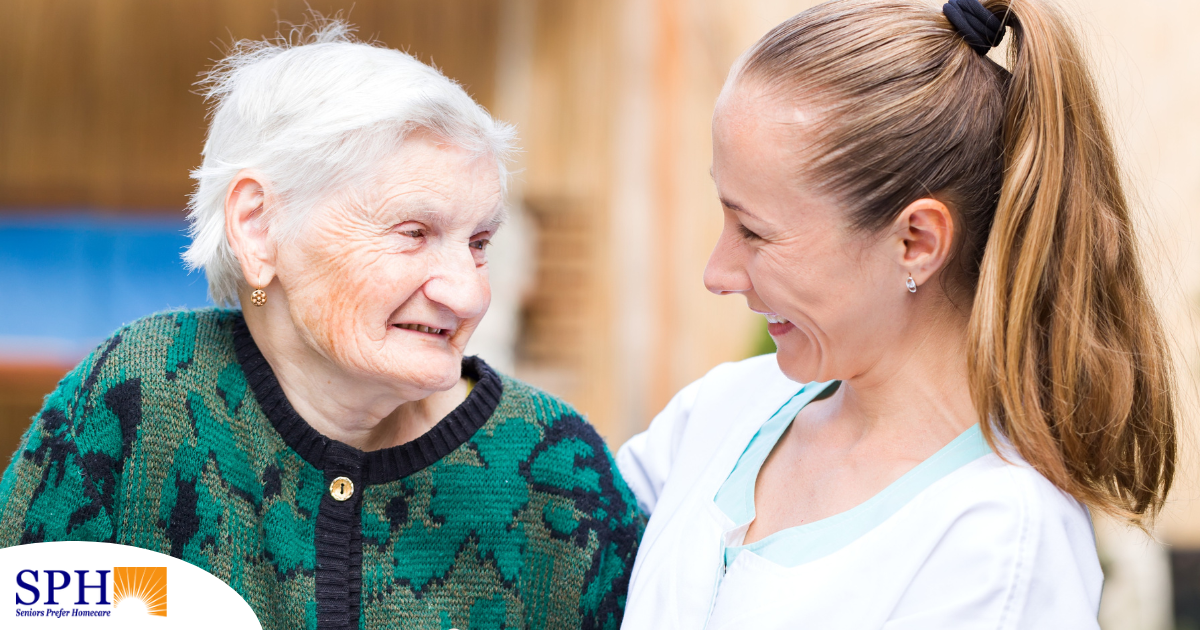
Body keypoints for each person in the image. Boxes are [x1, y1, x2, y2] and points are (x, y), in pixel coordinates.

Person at [0, 22, 641, 630]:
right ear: (259, 226)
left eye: (477, 243)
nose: (470, 294)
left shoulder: (557, 472)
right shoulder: (143, 396)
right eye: (413, 233)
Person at [616, 0, 1177, 627]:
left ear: (916, 242)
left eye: (754, 232)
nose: (716, 274)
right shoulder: (722, 411)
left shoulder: (996, 543)